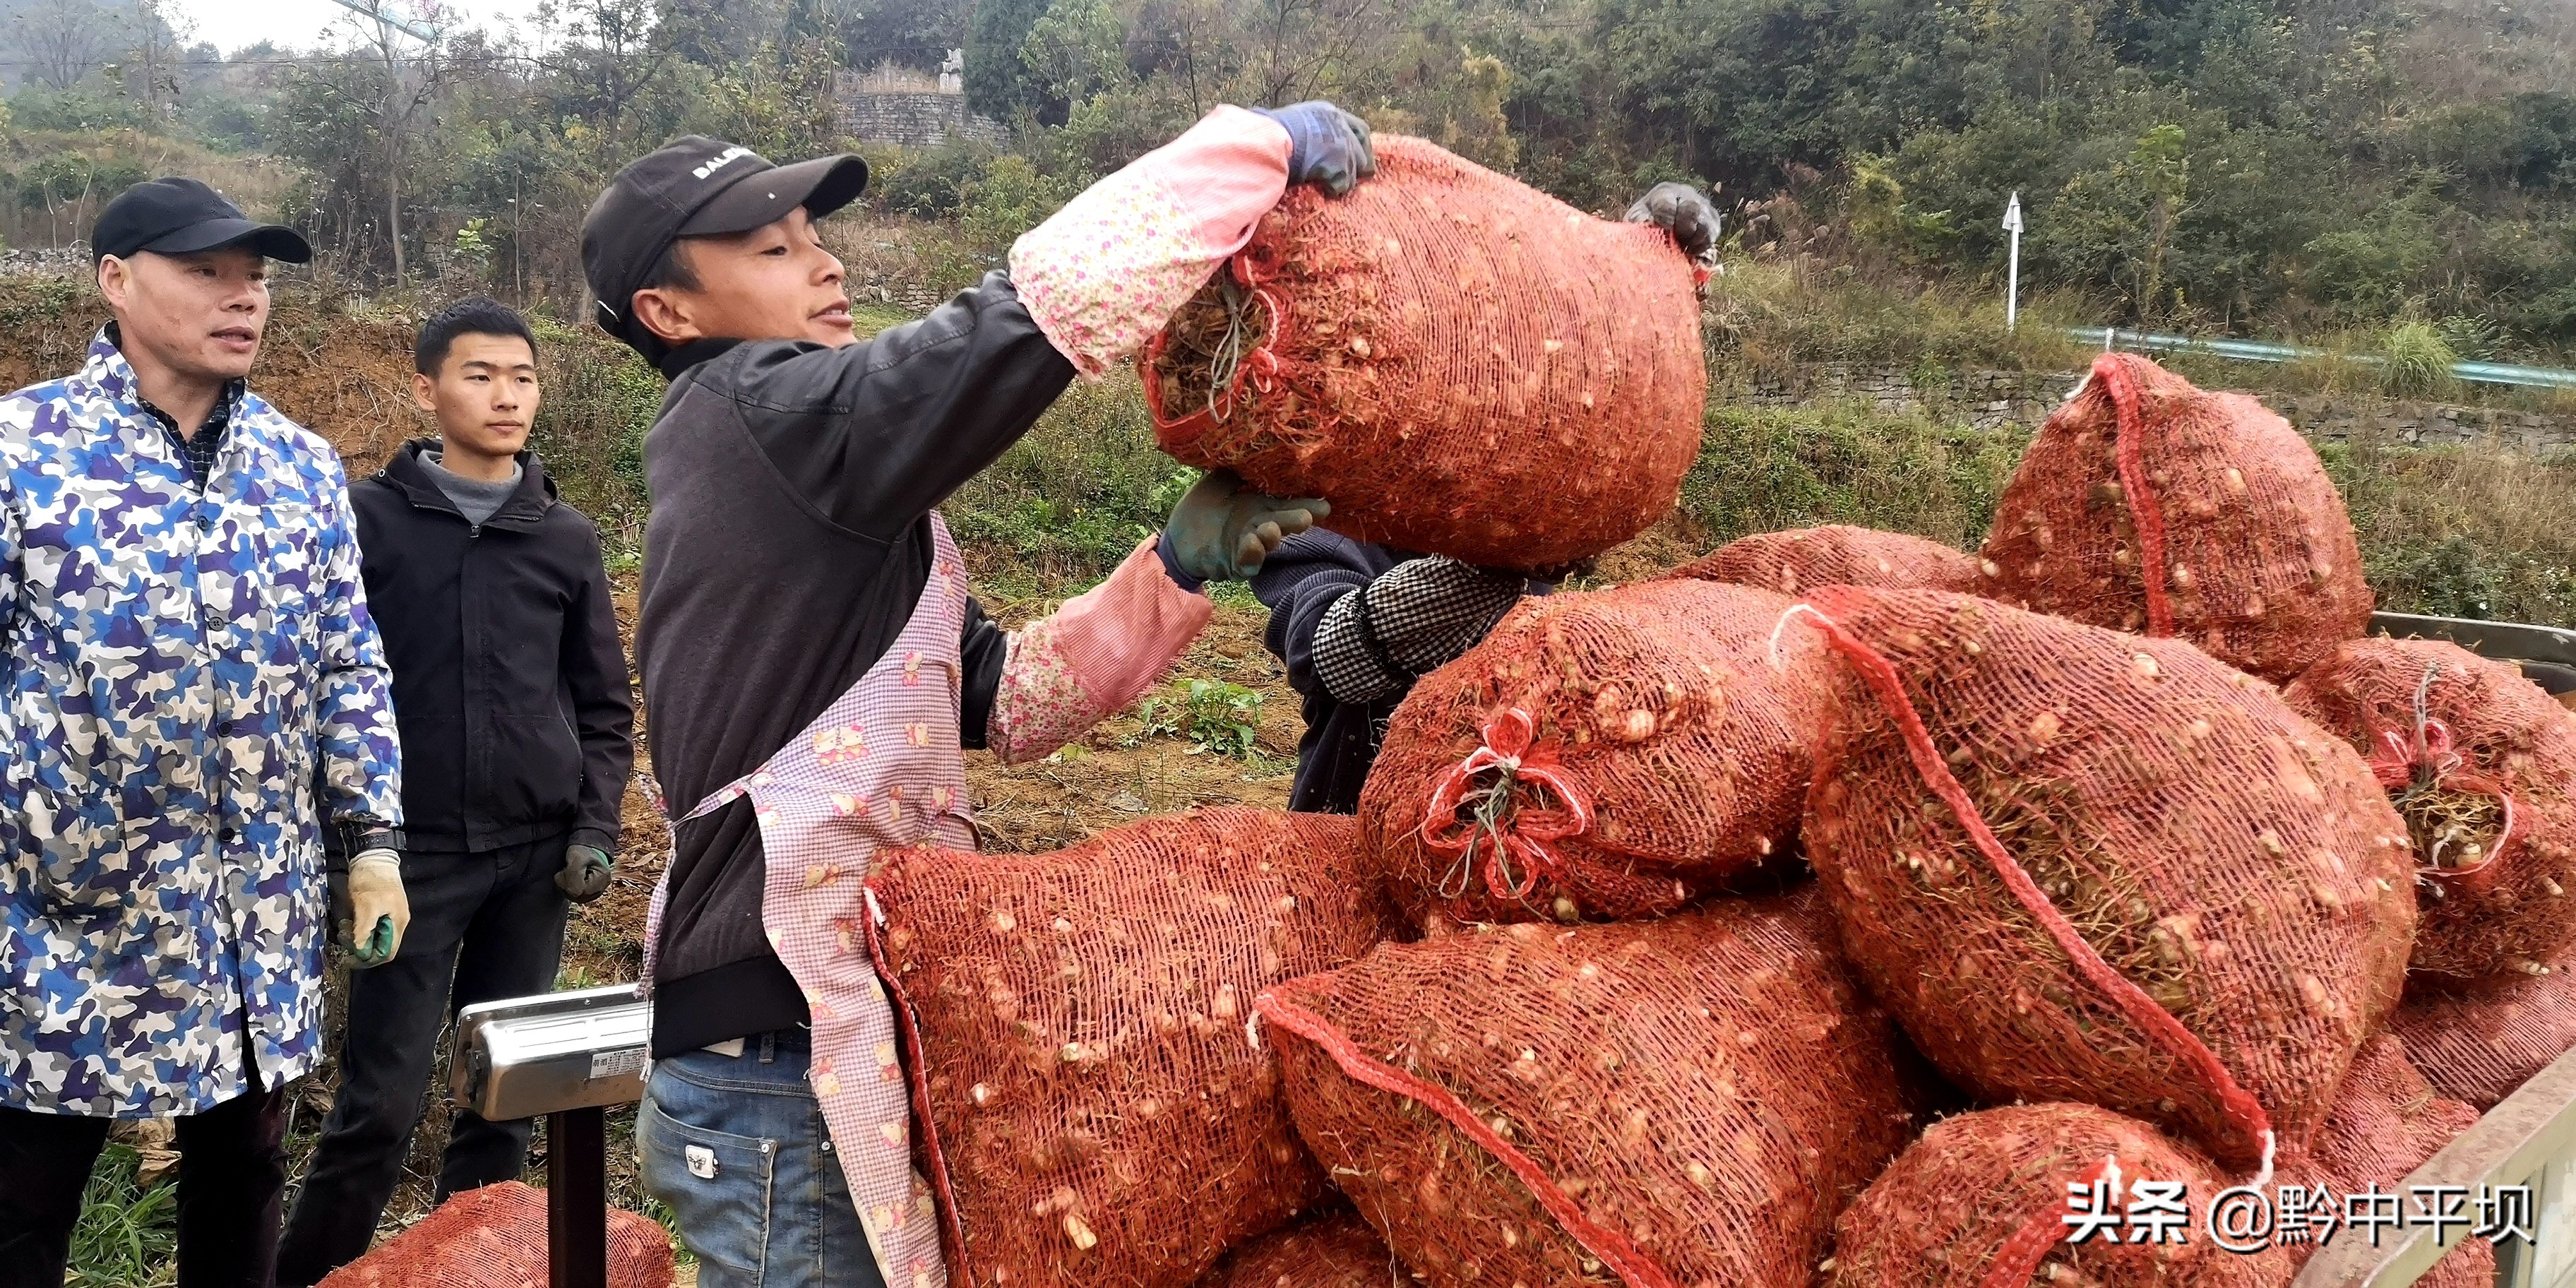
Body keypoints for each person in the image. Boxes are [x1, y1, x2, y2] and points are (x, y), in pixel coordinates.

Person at [583, 105, 1368, 1288]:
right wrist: (1251, 148)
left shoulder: (813, 483)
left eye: (814, 233)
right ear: (670, 312)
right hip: (772, 1057)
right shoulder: (762, 413)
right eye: (773, 247)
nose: (827, 259)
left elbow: (1000, 701)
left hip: (823, 1034)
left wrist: (1167, 571)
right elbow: (1025, 321)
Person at [0, 178, 405, 1288]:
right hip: (62, 922)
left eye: (257, 278)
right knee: (24, 1197)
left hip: (251, 917)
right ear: (116, 281)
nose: (244, 299)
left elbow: (346, 660)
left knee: (242, 1188)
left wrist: (370, 842)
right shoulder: (25, 449)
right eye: (208, 272)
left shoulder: (299, 465)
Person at [275, 299, 636, 1285]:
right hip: (410, 858)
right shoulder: (366, 521)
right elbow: (321, 683)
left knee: (502, 1098)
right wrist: (353, 846)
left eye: (522, 377)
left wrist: (593, 826)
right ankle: (318, 1274)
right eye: (480, 376)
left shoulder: (564, 537)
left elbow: (604, 702)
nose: (506, 395)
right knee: (380, 1104)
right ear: (427, 388)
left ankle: (468, 1270)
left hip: (534, 861)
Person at [1255, 183, 1724, 813]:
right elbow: (1330, 655)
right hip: (1356, 817)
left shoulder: (1510, 490)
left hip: (1506, 818)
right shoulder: (1320, 498)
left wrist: (1644, 277)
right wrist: (1489, 572)